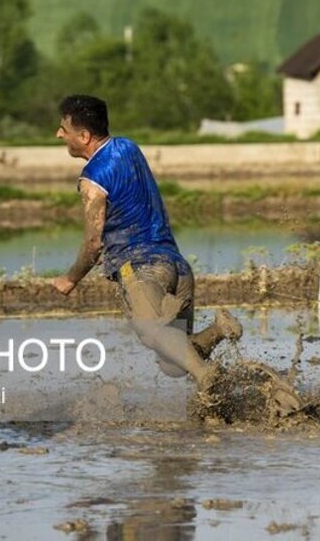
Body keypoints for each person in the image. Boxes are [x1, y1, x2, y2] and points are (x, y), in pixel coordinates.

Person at [51, 94, 242, 390]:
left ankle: (205, 376)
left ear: (85, 136)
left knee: (151, 332)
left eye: (64, 128)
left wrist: (70, 278)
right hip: (176, 266)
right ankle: (218, 330)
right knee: (173, 363)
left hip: (140, 269)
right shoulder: (128, 147)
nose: (59, 134)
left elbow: (92, 243)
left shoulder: (92, 179)